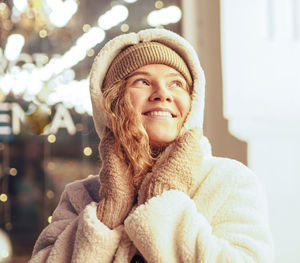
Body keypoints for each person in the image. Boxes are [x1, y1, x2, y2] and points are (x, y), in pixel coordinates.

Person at [29, 28, 274, 263]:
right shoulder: (80, 196)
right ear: (113, 103)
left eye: (177, 84)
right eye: (142, 82)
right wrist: (109, 213)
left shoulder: (229, 181)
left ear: (193, 102)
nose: (162, 93)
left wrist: (163, 196)